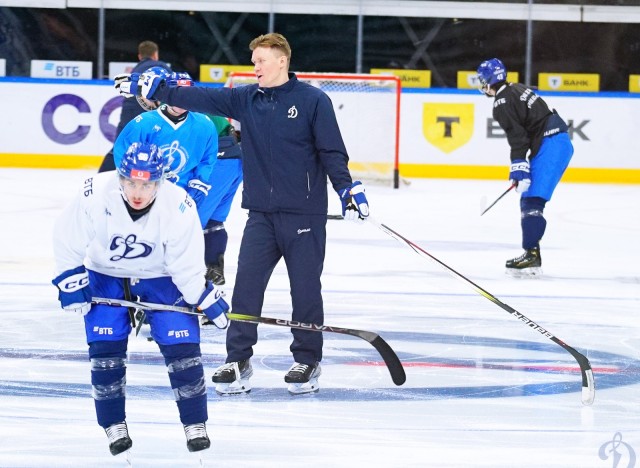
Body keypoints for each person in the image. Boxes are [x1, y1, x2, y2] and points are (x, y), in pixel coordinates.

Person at [115, 32, 370, 395]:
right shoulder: (247, 99)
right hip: (261, 215)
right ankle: (237, 360)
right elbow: (201, 96)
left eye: (261, 61)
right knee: (247, 288)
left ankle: (307, 360)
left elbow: (331, 151)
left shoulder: (314, 101)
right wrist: (162, 89)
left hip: (304, 215)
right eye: (254, 62)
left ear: (282, 60)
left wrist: (346, 188)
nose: (256, 68)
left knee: (306, 289)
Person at [51, 142, 230, 457]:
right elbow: (68, 238)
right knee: (105, 351)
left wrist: (203, 297)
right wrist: (72, 282)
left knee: (183, 348)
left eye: (147, 184)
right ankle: (113, 424)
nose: (138, 191)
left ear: (160, 181)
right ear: (120, 177)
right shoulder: (95, 193)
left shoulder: (179, 205)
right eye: (131, 182)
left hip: (160, 275)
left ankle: (194, 423)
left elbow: (186, 266)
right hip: (104, 275)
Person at [476, 58, 573, 277]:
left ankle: (531, 256)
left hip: (552, 144)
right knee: (529, 198)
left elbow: (518, 137)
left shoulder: (501, 102)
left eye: (483, 79)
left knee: (532, 201)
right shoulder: (516, 88)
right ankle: (531, 253)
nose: (481, 84)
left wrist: (519, 168)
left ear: (490, 80)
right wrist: (521, 167)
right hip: (553, 142)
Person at [98, 40, 171, 173]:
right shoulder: (161, 66)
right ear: (155, 55)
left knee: (121, 146)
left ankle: (101, 176)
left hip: (130, 111)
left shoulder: (136, 70)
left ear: (139, 56)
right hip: (152, 114)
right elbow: (171, 89)